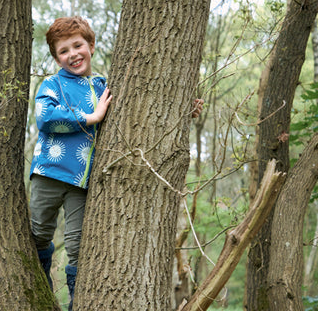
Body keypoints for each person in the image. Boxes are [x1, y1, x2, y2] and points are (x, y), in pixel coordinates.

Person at [29, 16, 203, 311]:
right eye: (63, 51)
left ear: (91, 46)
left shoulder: (103, 87)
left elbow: (144, 112)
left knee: (77, 246)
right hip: (48, 172)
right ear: (56, 58)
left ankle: (75, 303)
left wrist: (184, 110)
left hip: (81, 183)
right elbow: (45, 118)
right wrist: (91, 117)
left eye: (77, 45)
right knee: (39, 232)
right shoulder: (53, 84)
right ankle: (41, 280)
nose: (73, 54)